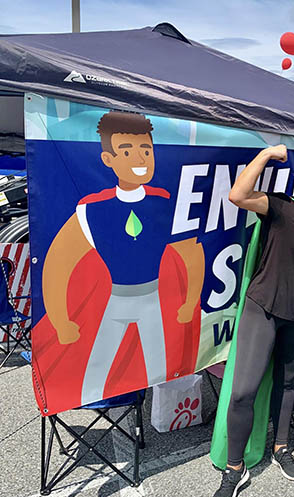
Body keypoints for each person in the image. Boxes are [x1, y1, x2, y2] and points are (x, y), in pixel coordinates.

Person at [42, 111, 205, 407]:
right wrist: (60, 320)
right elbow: (57, 265)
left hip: (153, 299)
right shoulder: (92, 209)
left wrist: (190, 300)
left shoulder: (165, 202)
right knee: (96, 372)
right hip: (116, 301)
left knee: (160, 367)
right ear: (108, 159)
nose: (140, 159)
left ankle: (162, 412)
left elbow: (191, 250)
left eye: (146, 150)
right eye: (127, 151)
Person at [210, 144, 294, 497]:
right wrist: (266, 155)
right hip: (262, 309)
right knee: (242, 392)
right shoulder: (280, 206)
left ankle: (281, 448)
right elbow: (237, 195)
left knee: (287, 385)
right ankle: (235, 469)